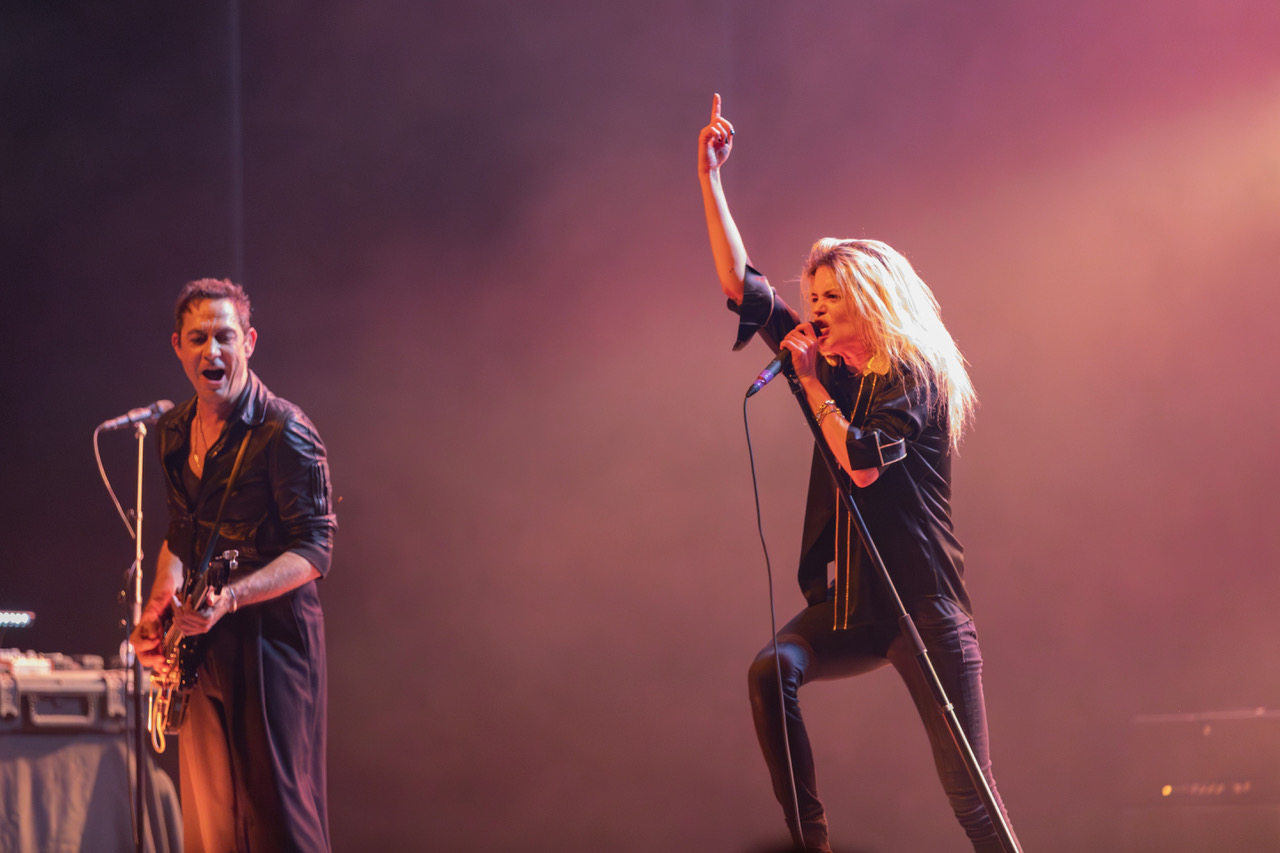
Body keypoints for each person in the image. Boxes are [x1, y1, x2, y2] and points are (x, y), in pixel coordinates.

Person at [697, 94, 1019, 853]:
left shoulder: (915, 374)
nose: (816, 314)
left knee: (971, 793)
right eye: (813, 300)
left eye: (831, 300)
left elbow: (865, 466)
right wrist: (708, 178)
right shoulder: (831, 375)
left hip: (922, 605)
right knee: (769, 671)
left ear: (872, 304)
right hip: (855, 604)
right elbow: (741, 287)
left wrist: (809, 383)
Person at [129, 278, 336, 853]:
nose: (211, 351)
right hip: (200, 641)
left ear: (247, 342)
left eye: (224, 337)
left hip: (272, 642)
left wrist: (234, 598)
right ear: (177, 346)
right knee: (212, 822)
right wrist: (157, 611)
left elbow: (315, 550)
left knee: (277, 821)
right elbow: (181, 535)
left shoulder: (285, 431)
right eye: (198, 338)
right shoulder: (171, 432)